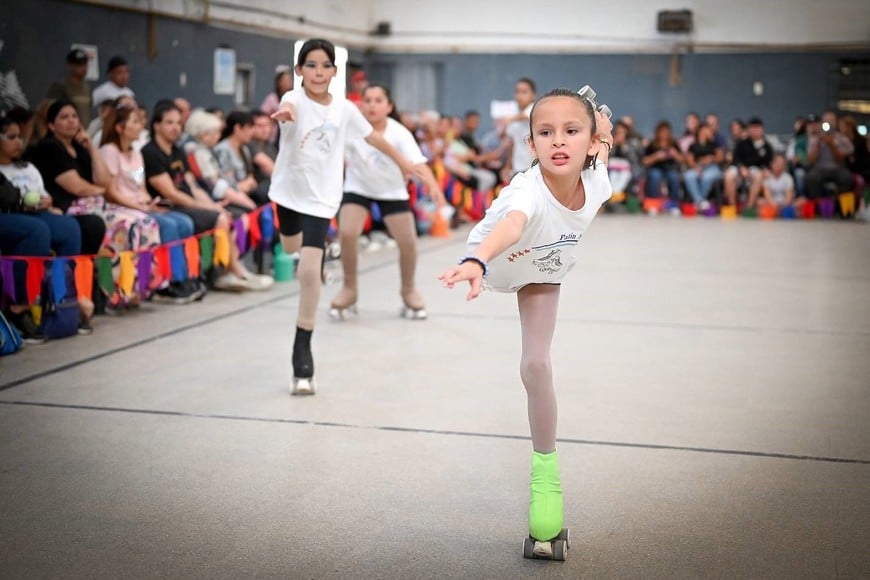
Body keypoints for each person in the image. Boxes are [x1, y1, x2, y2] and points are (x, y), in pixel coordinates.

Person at [438, 87, 613, 557]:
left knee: (536, 366)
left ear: (592, 143)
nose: (559, 141)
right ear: (530, 146)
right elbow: (512, 225)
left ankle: (546, 478)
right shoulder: (525, 191)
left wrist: (604, 126)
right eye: (545, 132)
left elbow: (607, 138)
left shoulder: (599, 181)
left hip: (546, 267)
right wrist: (475, 261)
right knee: (533, 362)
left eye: (572, 132)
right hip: (501, 255)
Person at [268, 38, 423, 396]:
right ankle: (302, 253)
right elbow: (288, 105)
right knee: (290, 245)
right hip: (288, 194)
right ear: (299, 71)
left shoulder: (345, 109)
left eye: (325, 66)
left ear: (335, 72)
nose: (318, 72)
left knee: (309, 272)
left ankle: (302, 349)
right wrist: (286, 114)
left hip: (322, 199)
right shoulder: (293, 100)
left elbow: (374, 139)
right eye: (311, 65)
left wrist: (404, 162)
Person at [329, 84, 446, 320]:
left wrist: (433, 186)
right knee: (348, 234)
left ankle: (409, 290)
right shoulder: (351, 129)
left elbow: (418, 163)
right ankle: (349, 289)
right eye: (368, 100)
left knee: (408, 242)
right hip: (358, 187)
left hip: (392, 191)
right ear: (360, 105)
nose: (372, 105)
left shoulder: (399, 132)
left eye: (378, 100)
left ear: (389, 106)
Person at [31, 99, 160, 309]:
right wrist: (101, 191)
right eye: (64, 117)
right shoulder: (49, 148)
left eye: (74, 116)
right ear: (51, 125)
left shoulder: (82, 148)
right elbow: (79, 187)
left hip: (97, 204)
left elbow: (106, 180)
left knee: (147, 222)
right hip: (72, 207)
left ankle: (138, 286)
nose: (72, 121)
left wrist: (91, 147)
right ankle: (114, 291)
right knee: (128, 225)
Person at [142, 100, 271, 293]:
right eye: (170, 123)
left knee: (224, 213)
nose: (176, 127)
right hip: (170, 205)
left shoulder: (178, 151)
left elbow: (193, 186)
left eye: (178, 123)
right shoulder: (151, 152)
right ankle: (225, 272)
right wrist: (206, 207)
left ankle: (227, 271)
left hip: (189, 202)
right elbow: (170, 192)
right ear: (156, 125)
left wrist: (211, 205)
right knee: (219, 218)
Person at [99, 104, 202, 304]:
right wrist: (139, 207)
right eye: (135, 122)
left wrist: (150, 201)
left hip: (140, 206)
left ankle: (184, 277)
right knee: (168, 225)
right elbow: (110, 192)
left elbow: (140, 185)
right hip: (121, 208)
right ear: (119, 127)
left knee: (183, 222)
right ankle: (167, 283)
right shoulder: (109, 151)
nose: (140, 127)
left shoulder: (136, 153)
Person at [641, 121, 683, 212]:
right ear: (658, 133)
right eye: (662, 132)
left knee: (674, 177)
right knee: (655, 175)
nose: (664, 135)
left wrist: (675, 154)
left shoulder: (674, 144)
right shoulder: (652, 145)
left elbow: (682, 160)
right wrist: (656, 156)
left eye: (666, 132)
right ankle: (652, 204)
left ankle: (673, 205)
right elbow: (644, 161)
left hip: (670, 169)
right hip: (655, 168)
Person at [683, 122, 724, 210]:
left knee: (707, 177)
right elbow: (690, 161)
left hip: (712, 168)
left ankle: (698, 203)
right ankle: (700, 202)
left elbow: (720, 158)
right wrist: (697, 167)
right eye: (708, 129)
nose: (710, 131)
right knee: (689, 175)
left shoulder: (715, 144)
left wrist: (712, 159)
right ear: (701, 131)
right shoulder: (693, 146)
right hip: (698, 167)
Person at [46, 49, 92, 128]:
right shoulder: (60, 86)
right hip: (65, 131)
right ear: (70, 66)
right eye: (79, 65)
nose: (83, 68)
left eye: (85, 64)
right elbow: (49, 111)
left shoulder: (87, 88)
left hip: (84, 132)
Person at [502, 78, 537, 180]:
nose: (520, 96)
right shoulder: (514, 117)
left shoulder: (535, 109)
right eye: (517, 92)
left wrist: (510, 119)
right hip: (518, 168)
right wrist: (507, 166)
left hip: (534, 167)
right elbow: (512, 144)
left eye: (524, 92)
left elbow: (526, 116)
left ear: (533, 95)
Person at [260, 67, 293, 144]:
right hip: (273, 136)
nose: (288, 82)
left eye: (289, 80)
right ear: (279, 82)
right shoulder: (272, 98)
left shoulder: (293, 98)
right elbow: (262, 115)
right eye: (285, 80)